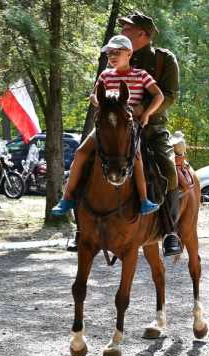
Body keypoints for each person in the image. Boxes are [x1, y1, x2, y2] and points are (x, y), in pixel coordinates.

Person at [52, 35, 163, 217]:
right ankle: (67, 197)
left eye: (116, 52)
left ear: (129, 53)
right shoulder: (105, 75)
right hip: (105, 125)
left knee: (137, 158)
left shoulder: (140, 75)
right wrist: (101, 101)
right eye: (110, 53)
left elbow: (159, 96)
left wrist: (146, 113)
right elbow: (94, 96)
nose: (112, 56)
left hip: (128, 126)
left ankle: (144, 200)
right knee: (81, 152)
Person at [119, 11, 182, 256]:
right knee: (86, 157)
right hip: (118, 127)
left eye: (127, 29)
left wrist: (142, 108)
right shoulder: (118, 56)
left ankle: (170, 231)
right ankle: (82, 227)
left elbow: (170, 95)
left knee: (168, 169)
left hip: (152, 128)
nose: (123, 33)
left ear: (142, 34)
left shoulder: (164, 59)